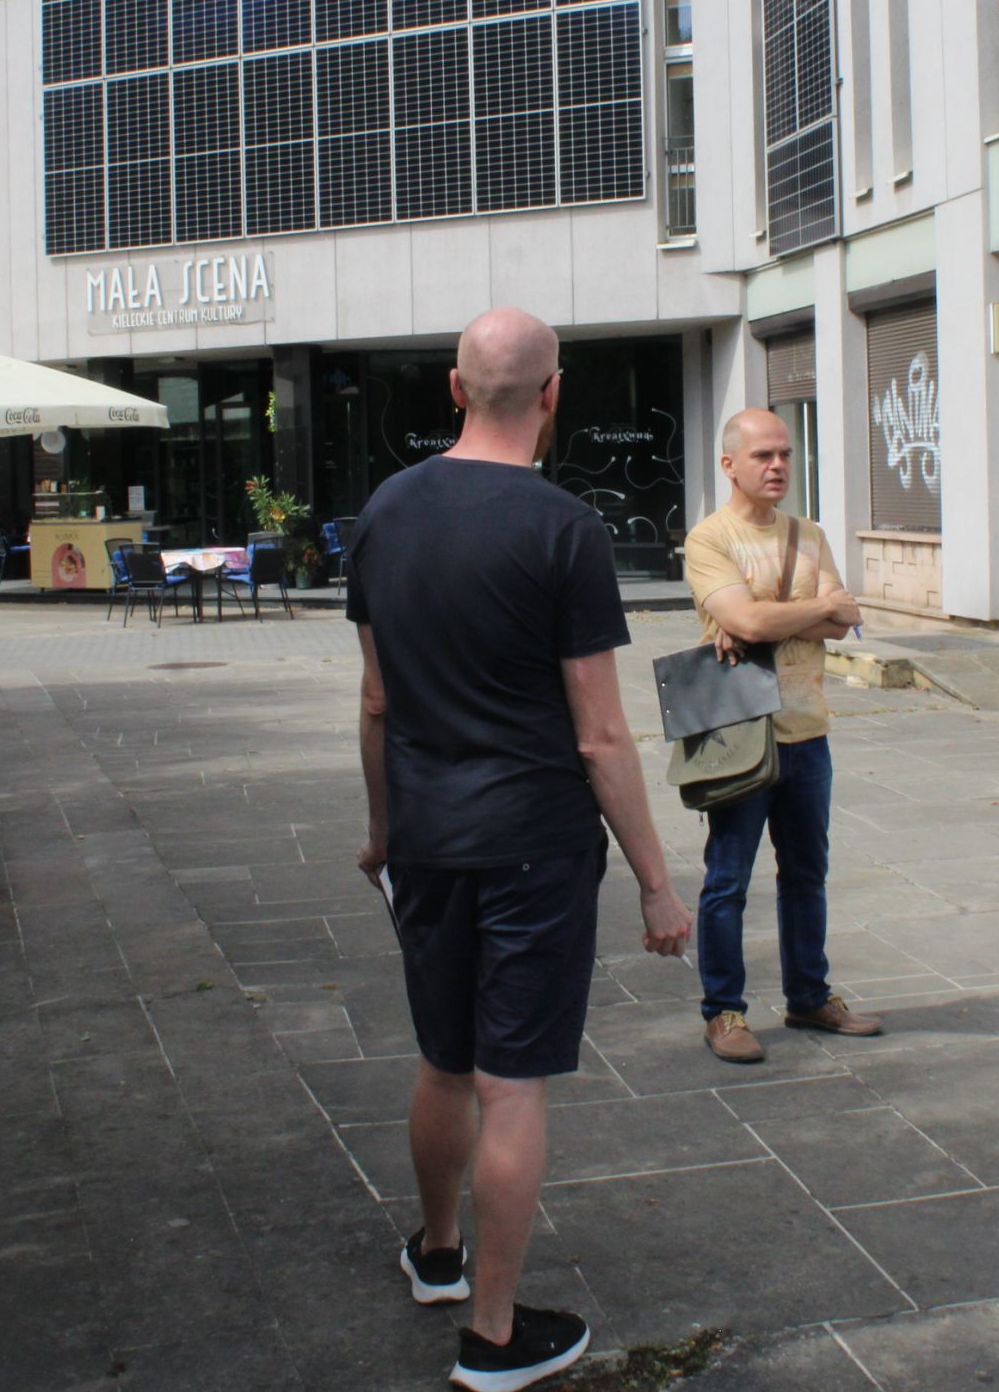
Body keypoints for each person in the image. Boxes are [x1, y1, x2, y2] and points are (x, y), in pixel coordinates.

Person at [349, 308, 692, 1392]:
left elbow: (376, 700)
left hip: (428, 836)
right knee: (511, 1087)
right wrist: (656, 882)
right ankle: (494, 1335)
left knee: (443, 1060)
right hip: (533, 845)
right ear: (553, 395)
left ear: (455, 390)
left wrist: (381, 831)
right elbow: (600, 734)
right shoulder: (565, 529)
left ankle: (437, 1253)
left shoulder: (384, 512)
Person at [683, 409, 879, 1063]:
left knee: (806, 874)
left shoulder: (809, 534)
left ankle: (808, 996)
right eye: (762, 455)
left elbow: (843, 620)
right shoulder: (710, 539)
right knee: (728, 878)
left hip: (807, 733)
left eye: (785, 454)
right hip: (739, 733)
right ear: (729, 464)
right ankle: (724, 1010)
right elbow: (747, 618)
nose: (777, 466)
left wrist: (767, 617)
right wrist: (806, 610)